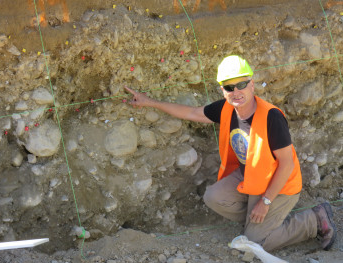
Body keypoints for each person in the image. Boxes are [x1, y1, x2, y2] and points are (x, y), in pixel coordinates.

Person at [124, 55, 337, 251]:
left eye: (242, 84)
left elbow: (287, 164)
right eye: (229, 87)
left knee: (255, 242)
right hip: (251, 179)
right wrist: (149, 102)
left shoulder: (272, 118)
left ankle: (313, 220)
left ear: (252, 85)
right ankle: (258, 223)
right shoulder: (225, 108)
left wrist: (265, 203)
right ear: (223, 91)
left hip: (280, 186)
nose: (236, 92)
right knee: (214, 197)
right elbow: (191, 112)